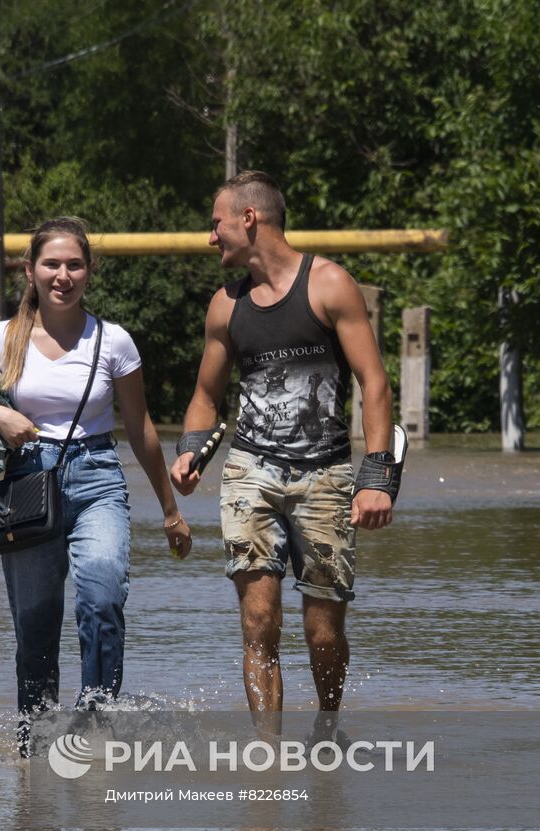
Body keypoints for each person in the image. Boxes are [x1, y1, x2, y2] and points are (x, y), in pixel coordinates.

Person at [0, 217, 191, 748]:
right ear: (31, 270)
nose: (63, 275)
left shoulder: (114, 341)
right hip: (24, 482)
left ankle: (95, 726)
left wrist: (171, 512)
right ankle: (34, 749)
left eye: (74, 264)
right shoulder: (3, 339)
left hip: (97, 478)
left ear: (90, 271)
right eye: (52, 264)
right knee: (35, 626)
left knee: (102, 595)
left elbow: (142, 428)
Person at [169, 171, 395, 717]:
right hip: (251, 471)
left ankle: (326, 727)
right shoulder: (225, 306)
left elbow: (375, 384)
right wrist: (191, 447)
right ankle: (266, 758)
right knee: (258, 624)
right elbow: (205, 395)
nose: (210, 236)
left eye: (216, 222)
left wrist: (378, 478)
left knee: (322, 633)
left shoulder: (329, 285)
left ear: (249, 218)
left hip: (327, 474)